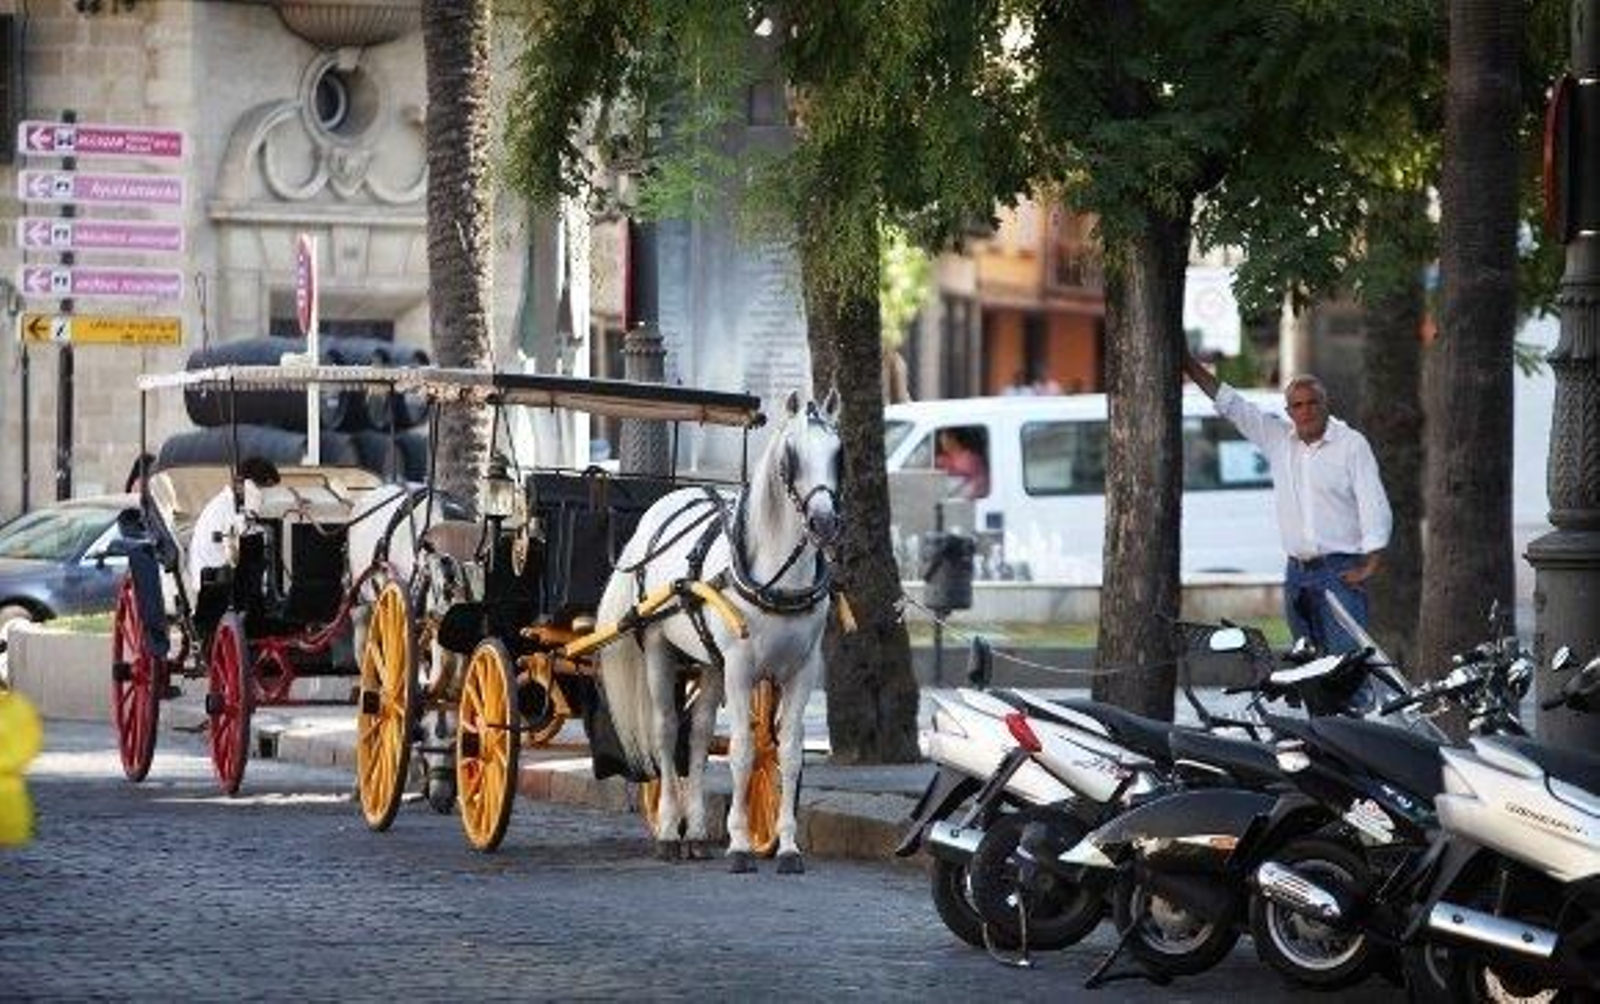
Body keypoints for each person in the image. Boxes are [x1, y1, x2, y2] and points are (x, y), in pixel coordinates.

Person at [1182, 347, 1391, 653]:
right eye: (1297, 406)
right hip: (1296, 575)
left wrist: (1372, 563)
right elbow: (1233, 405)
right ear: (1289, 412)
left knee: (1348, 668)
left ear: (1325, 404)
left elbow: (1373, 502)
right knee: (1309, 671)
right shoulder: (1279, 440)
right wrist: (1188, 363)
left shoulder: (1351, 445)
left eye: (1312, 403)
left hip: (1340, 571)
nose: (1306, 411)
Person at [187, 456, 281, 596]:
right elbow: (243, 544)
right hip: (218, 582)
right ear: (251, 487)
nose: (265, 497)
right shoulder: (229, 508)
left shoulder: (225, 502)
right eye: (265, 490)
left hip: (216, 575)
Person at [935, 428, 989, 500]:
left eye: (943, 439)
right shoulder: (945, 458)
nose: (941, 443)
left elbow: (977, 483)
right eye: (941, 440)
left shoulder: (970, 457)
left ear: (953, 439)